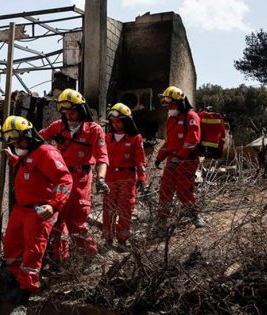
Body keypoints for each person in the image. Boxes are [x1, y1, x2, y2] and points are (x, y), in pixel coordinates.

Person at [0, 115, 73, 315]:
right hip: (20, 210)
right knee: (11, 251)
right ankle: (21, 283)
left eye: (19, 141)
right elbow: (28, 170)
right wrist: (12, 157)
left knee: (32, 255)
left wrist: (54, 204)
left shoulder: (47, 153)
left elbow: (65, 179)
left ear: (30, 136)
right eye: (13, 143)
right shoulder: (26, 154)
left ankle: (24, 300)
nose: (17, 145)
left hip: (38, 211)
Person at [39, 89, 109, 261]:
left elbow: (102, 157)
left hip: (80, 178)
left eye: (72, 112)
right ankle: (61, 260)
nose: (69, 116)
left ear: (81, 109)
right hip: (59, 178)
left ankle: (91, 258)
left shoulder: (93, 130)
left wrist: (100, 178)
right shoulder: (57, 126)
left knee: (76, 222)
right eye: (66, 113)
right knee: (57, 221)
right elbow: (37, 139)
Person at [155, 86, 205, 227]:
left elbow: (192, 141)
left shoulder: (191, 117)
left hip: (187, 160)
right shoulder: (171, 120)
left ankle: (194, 215)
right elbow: (168, 143)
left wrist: (180, 157)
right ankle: (162, 218)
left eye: (172, 104)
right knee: (166, 188)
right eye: (168, 105)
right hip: (172, 159)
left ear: (180, 102)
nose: (169, 107)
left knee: (184, 189)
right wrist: (160, 156)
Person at [102, 103, 148, 250]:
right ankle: (108, 239)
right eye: (113, 122)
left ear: (126, 121)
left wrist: (142, 178)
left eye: (119, 121)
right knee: (109, 209)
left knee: (125, 209)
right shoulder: (107, 138)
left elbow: (140, 160)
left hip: (127, 178)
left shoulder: (135, 138)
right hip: (110, 178)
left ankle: (123, 240)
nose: (116, 124)